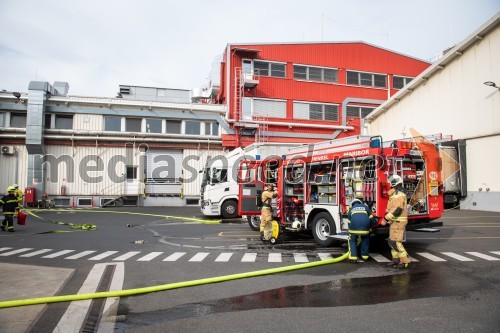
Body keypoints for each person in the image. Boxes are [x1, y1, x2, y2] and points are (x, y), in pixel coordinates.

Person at [381, 175, 412, 269]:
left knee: (396, 242)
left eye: (391, 182)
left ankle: (406, 261)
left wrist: (385, 219)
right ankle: (396, 260)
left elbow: (397, 209)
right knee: (392, 241)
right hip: (395, 221)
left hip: (398, 222)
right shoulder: (396, 193)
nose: (389, 184)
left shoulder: (398, 194)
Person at [347, 198, 377, 263]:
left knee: (353, 241)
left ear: (352, 204)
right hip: (365, 228)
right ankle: (365, 257)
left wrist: (350, 230)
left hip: (354, 228)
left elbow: (349, 222)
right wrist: (372, 227)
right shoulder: (366, 207)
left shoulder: (351, 209)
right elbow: (372, 219)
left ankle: (353, 258)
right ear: (360, 202)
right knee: (365, 239)